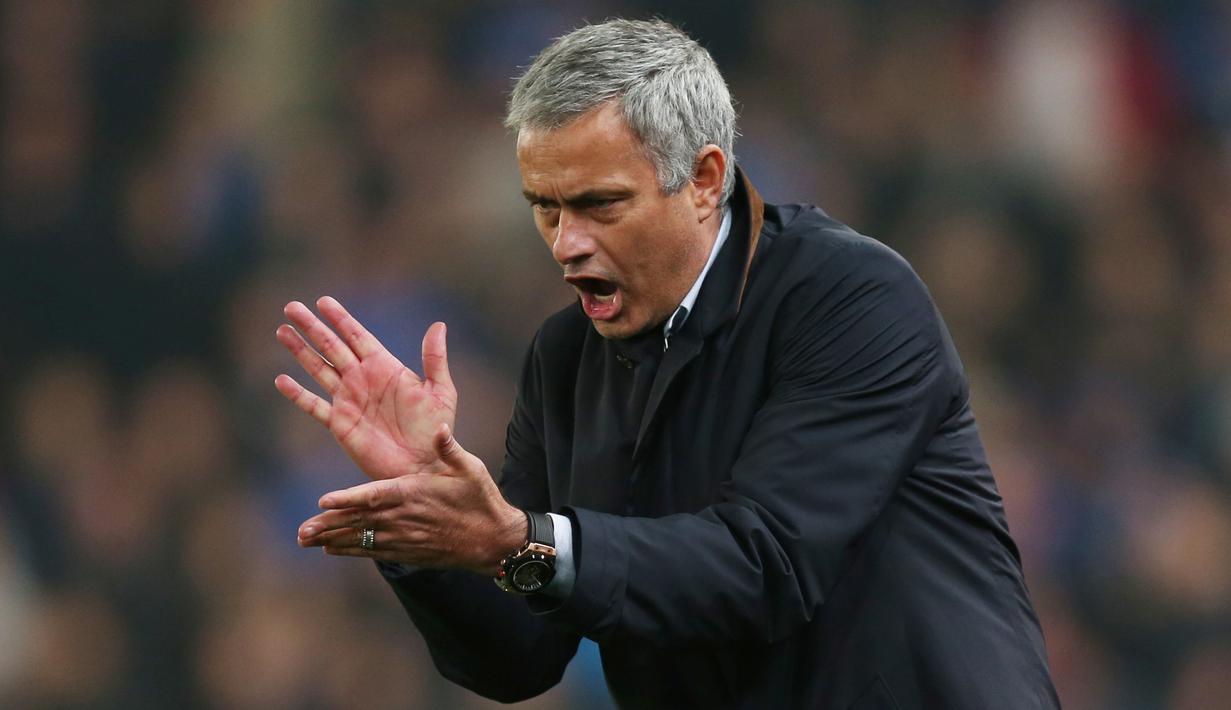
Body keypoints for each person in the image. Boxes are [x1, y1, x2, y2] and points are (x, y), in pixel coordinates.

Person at [275, 18, 1059, 709]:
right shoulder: (565, 359)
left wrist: (518, 540)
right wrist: (430, 529)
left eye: (599, 205)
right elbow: (520, 656)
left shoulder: (848, 297)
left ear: (704, 180)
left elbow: (766, 565)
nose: (564, 244)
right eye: (544, 207)